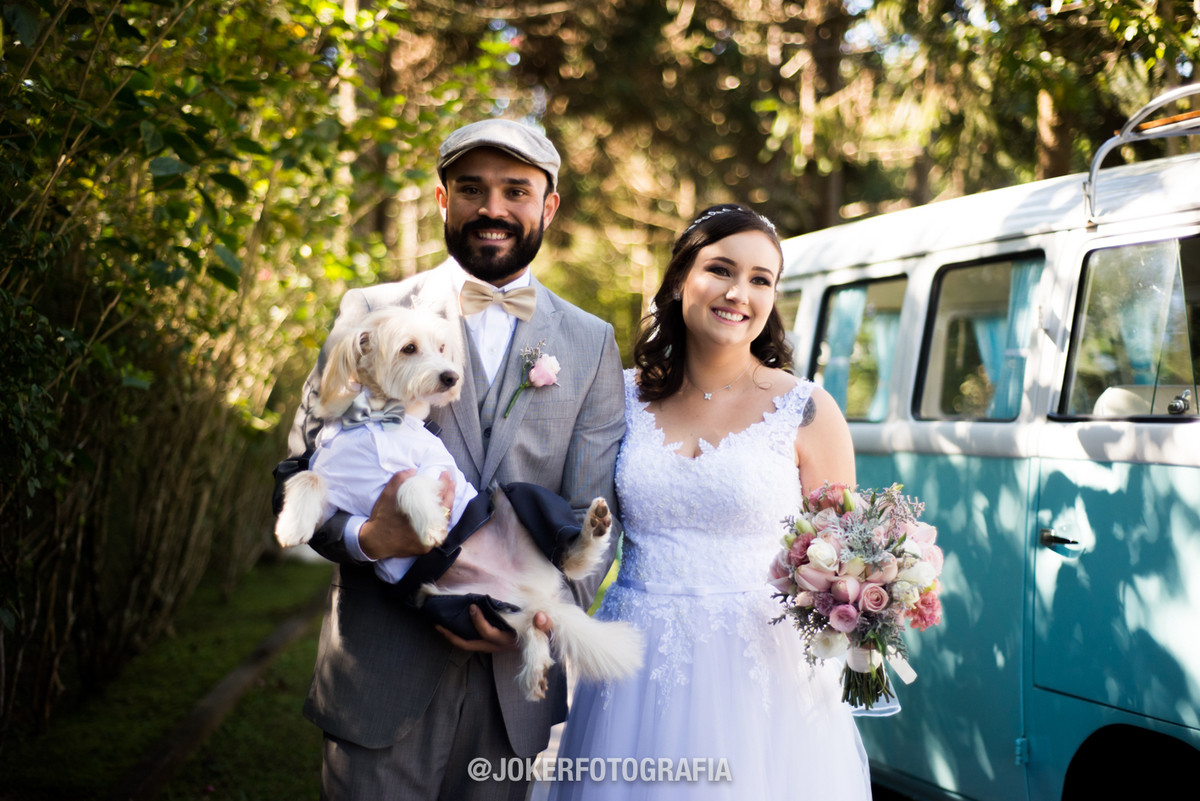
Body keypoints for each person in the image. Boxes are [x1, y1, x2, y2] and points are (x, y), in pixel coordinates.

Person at [276, 119, 625, 801]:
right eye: (472, 188)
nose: (492, 208)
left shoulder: (590, 342)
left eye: (516, 190)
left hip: (510, 697)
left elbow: (592, 509)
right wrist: (364, 536)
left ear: (548, 206)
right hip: (382, 679)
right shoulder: (371, 312)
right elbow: (298, 472)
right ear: (443, 200)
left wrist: (545, 619)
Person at [549, 204, 871, 799]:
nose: (738, 292)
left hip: (761, 670)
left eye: (760, 279)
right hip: (636, 662)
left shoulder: (807, 410)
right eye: (720, 269)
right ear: (678, 281)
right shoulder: (616, 397)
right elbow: (576, 518)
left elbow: (844, 555)